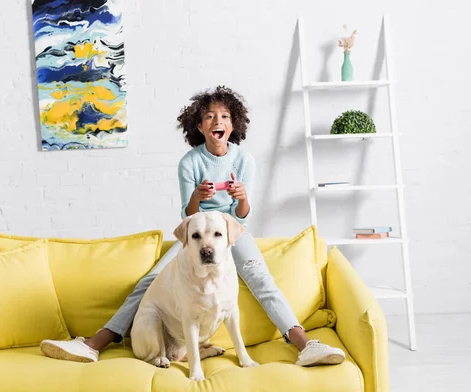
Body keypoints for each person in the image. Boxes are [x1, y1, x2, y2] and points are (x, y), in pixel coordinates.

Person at [41, 86, 345, 367]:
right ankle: (94, 344)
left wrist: (241, 198)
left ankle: (305, 345)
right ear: (199, 126)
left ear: (233, 125)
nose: (218, 120)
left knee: (260, 278)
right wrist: (198, 197)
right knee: (151, 280)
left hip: (232, 232)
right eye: (209, 116)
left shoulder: (245, 161)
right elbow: (187, 215)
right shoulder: (189, 163)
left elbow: (241, 218)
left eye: (225, 116)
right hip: (198, 234)